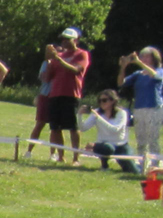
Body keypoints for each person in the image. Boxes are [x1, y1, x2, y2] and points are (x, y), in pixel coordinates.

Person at [43, 31, 89, 165]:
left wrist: (58, 59)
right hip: (55, 94)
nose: (63, 41)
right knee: (55, 127)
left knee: (73, 127)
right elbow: (47, 78)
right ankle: (61, 156)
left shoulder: (81, 54)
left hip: (71, 94)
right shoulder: (59, 56)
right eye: (62, 39)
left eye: (67, 39)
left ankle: (76, 158)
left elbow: (75, 70)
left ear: (76, 40)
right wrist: (48, 60)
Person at [78, 90, 133, 172]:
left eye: (104, 100)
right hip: (105, 145)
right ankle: (104, 166)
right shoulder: (97, 112)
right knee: (108, 148)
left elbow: (115, 129)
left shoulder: (121, 113)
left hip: (121, 145)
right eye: (99, 101)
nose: (101, 103)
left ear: (113, 101)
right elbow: (83, 128)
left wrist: (99, 118)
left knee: (132, 170)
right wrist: (79, 115)